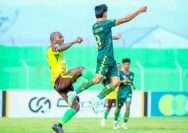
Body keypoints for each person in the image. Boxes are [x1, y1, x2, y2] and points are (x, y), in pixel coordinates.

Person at [76, 4, 147, 112]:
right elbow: (125, 19)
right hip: (104, 57)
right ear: (104, 13)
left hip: (111, 59)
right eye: (107, 12)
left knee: (116, 82)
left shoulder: (95, 26)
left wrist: (113, 37)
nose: (107, 14)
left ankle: (96, 99)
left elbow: (103, 37)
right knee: (97, 79)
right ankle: (74, 92)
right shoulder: (106, 23)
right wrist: (139, 11)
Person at [47, 32, 84, 133]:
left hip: (59, 83)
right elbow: (60, 48)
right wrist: (74, 41)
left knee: (75, 107)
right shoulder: (52, 48)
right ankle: (96, 78)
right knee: (81, 70)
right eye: (60, 37)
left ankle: (58, 125)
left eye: (63, 36)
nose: (63, 38)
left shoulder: (57, 50)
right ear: (53, 39)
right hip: (60, 79)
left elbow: (61, 48)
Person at [114, 58, 136, 130]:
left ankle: (125, 123)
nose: (127, 66)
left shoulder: (132, 74)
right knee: (118, 109)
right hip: (120, 93)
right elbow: (116, 83)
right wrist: (123, 81)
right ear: (123, 65)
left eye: (128, 64)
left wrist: (133, 85)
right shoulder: (119, 73)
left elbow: (132, 82)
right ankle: (115, 121)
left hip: (128, 92)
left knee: (128, 107)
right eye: (126, 64)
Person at [101, 63, 121, 127]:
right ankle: (104, 119)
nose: (118, 68)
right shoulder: (110, 74)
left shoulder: (121, 74)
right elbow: (104, 81)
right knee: (109, 107)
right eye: (117, 66)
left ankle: (116, 122)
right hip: (111, 92)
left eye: (119, 67)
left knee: (118, 107)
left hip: (118, 92)